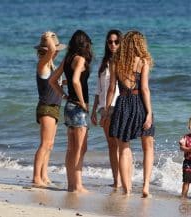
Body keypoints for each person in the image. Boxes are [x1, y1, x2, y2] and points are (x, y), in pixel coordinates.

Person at [102, 30, 155, 197]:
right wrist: (149, 113)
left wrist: (106, 109)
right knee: (148, 146)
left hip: (123, 104)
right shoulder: (143, 62)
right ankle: (146, 186)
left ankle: (127, 189)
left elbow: (111, 89)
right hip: (139, 102)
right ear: (139, 45)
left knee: (123, 147)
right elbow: (145, 89)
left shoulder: (115, 62)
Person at [49, 30, 93, 193]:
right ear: (84, 44)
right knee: (81, 148)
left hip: (68, 107)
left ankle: (71, 185)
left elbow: (53, 80)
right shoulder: (80, 59)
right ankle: (78, 186)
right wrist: (82, 102)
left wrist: (64, 95)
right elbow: (76, 80)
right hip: (78, 109)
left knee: (71, 148)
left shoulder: (68, 59)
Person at [33, 31, 66, 187]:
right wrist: (48, 38)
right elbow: (51, 51)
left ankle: (44, 175)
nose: (57, 52)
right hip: (46, 107)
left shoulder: (50, 66)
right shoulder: (43, 64)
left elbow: (53, 83)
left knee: (50, 144)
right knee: (45, 144)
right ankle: (36, 177)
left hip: (54, 107)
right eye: (55, 49)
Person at [91, 30, 122, 188]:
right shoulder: (104, 61)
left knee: (119, 144)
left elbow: (113, 88)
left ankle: (122, 180)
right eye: (110, 42)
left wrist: (107, 110)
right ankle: (116, 180)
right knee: (111, 145)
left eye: (116, 42)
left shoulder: (121, 61)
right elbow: (99, 89)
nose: (113, 45)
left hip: (115, 105)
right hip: (104, 106)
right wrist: (94, 109)